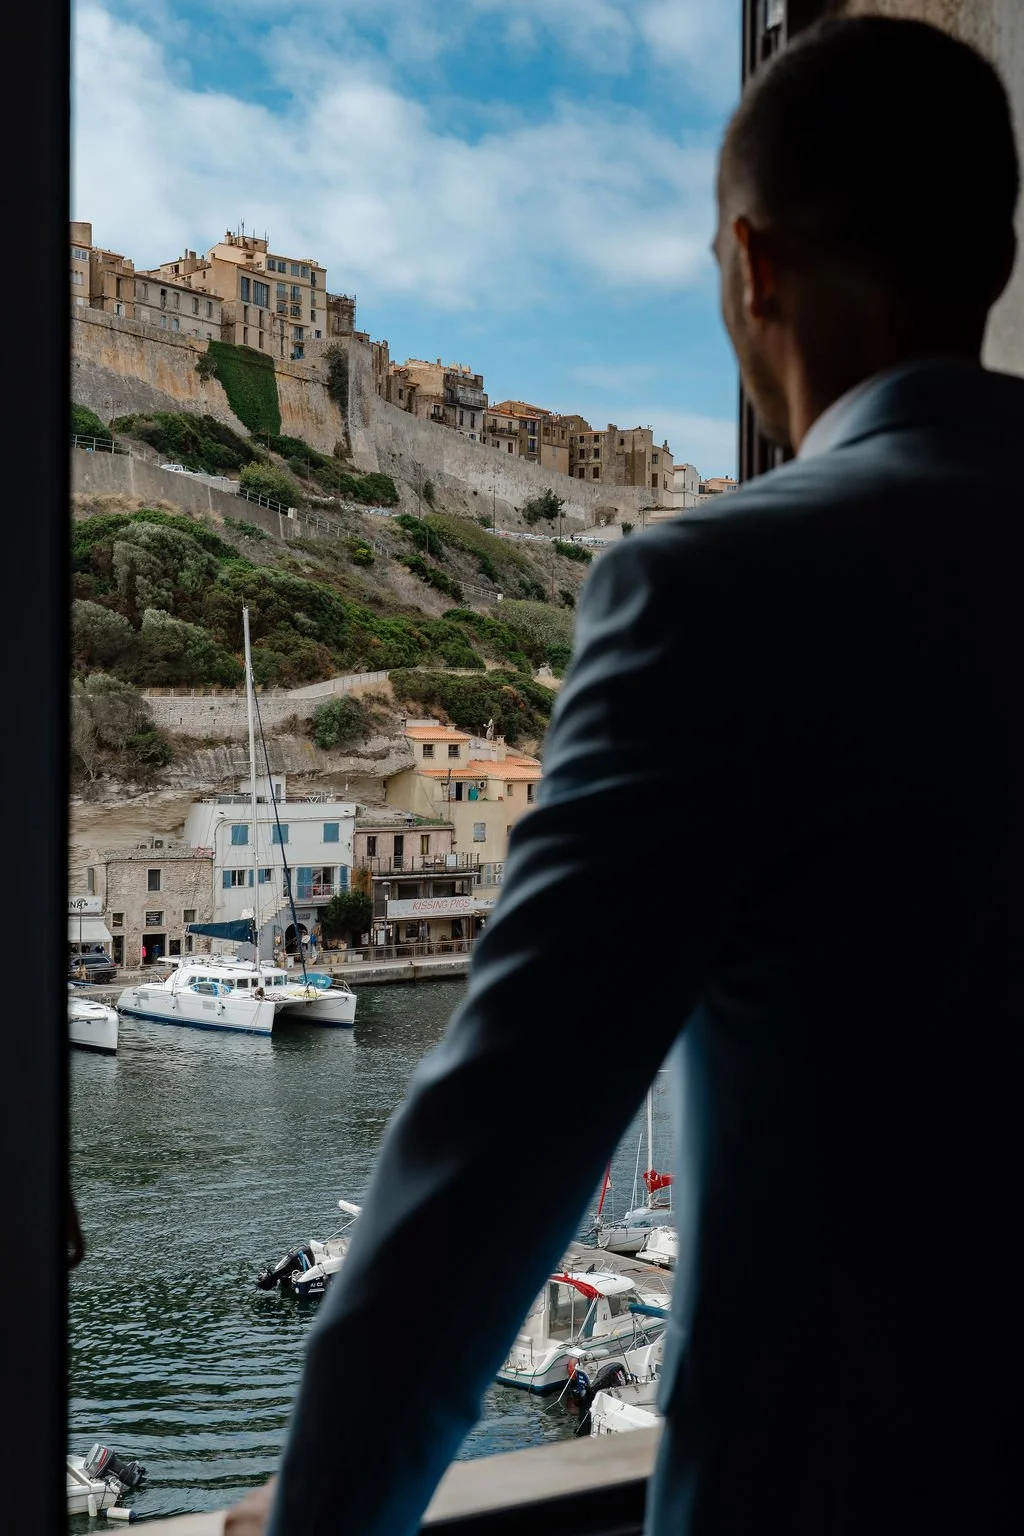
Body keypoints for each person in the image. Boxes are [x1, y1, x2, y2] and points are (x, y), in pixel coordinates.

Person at [228, 17, 1021, 1536]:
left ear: (752, 269)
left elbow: (502, 1140)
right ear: (993, 256)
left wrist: (326, 1513)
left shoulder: (715, 594)